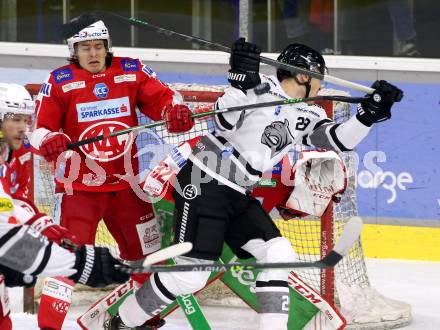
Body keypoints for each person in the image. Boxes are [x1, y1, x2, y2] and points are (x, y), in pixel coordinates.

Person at [106, 38, 403, 329]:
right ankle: (124, 321)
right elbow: (222, 122)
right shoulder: (258, 85)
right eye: (318, 79)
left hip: (237, 193)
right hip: (205, 182)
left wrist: (368, 117)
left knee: (279, 253)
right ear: (304, 75)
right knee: (191, 276)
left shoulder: (309, 110)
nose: (320, 87)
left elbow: (338, 139)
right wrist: (240, 85)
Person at [29, 13, 195, 330]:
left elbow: (166, 98)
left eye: (98, 46)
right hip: (79, 190)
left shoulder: (130, 70)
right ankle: (49, 327)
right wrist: (50, 139)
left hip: (127, 188)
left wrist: (174, 110)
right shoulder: (60, 81)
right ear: (73, 51)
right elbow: (39, 131)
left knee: (147, 258)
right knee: (66, 262)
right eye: (84, 47)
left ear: (107, 47)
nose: (93, 53)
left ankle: (141, 321)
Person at [0, 83, 130, 329]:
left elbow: (15, 202)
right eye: (14, 119)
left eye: (26, 119)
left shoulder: (17, 150)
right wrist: (77, 262)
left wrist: (47, 227)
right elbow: (5, 227)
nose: (22, 127)